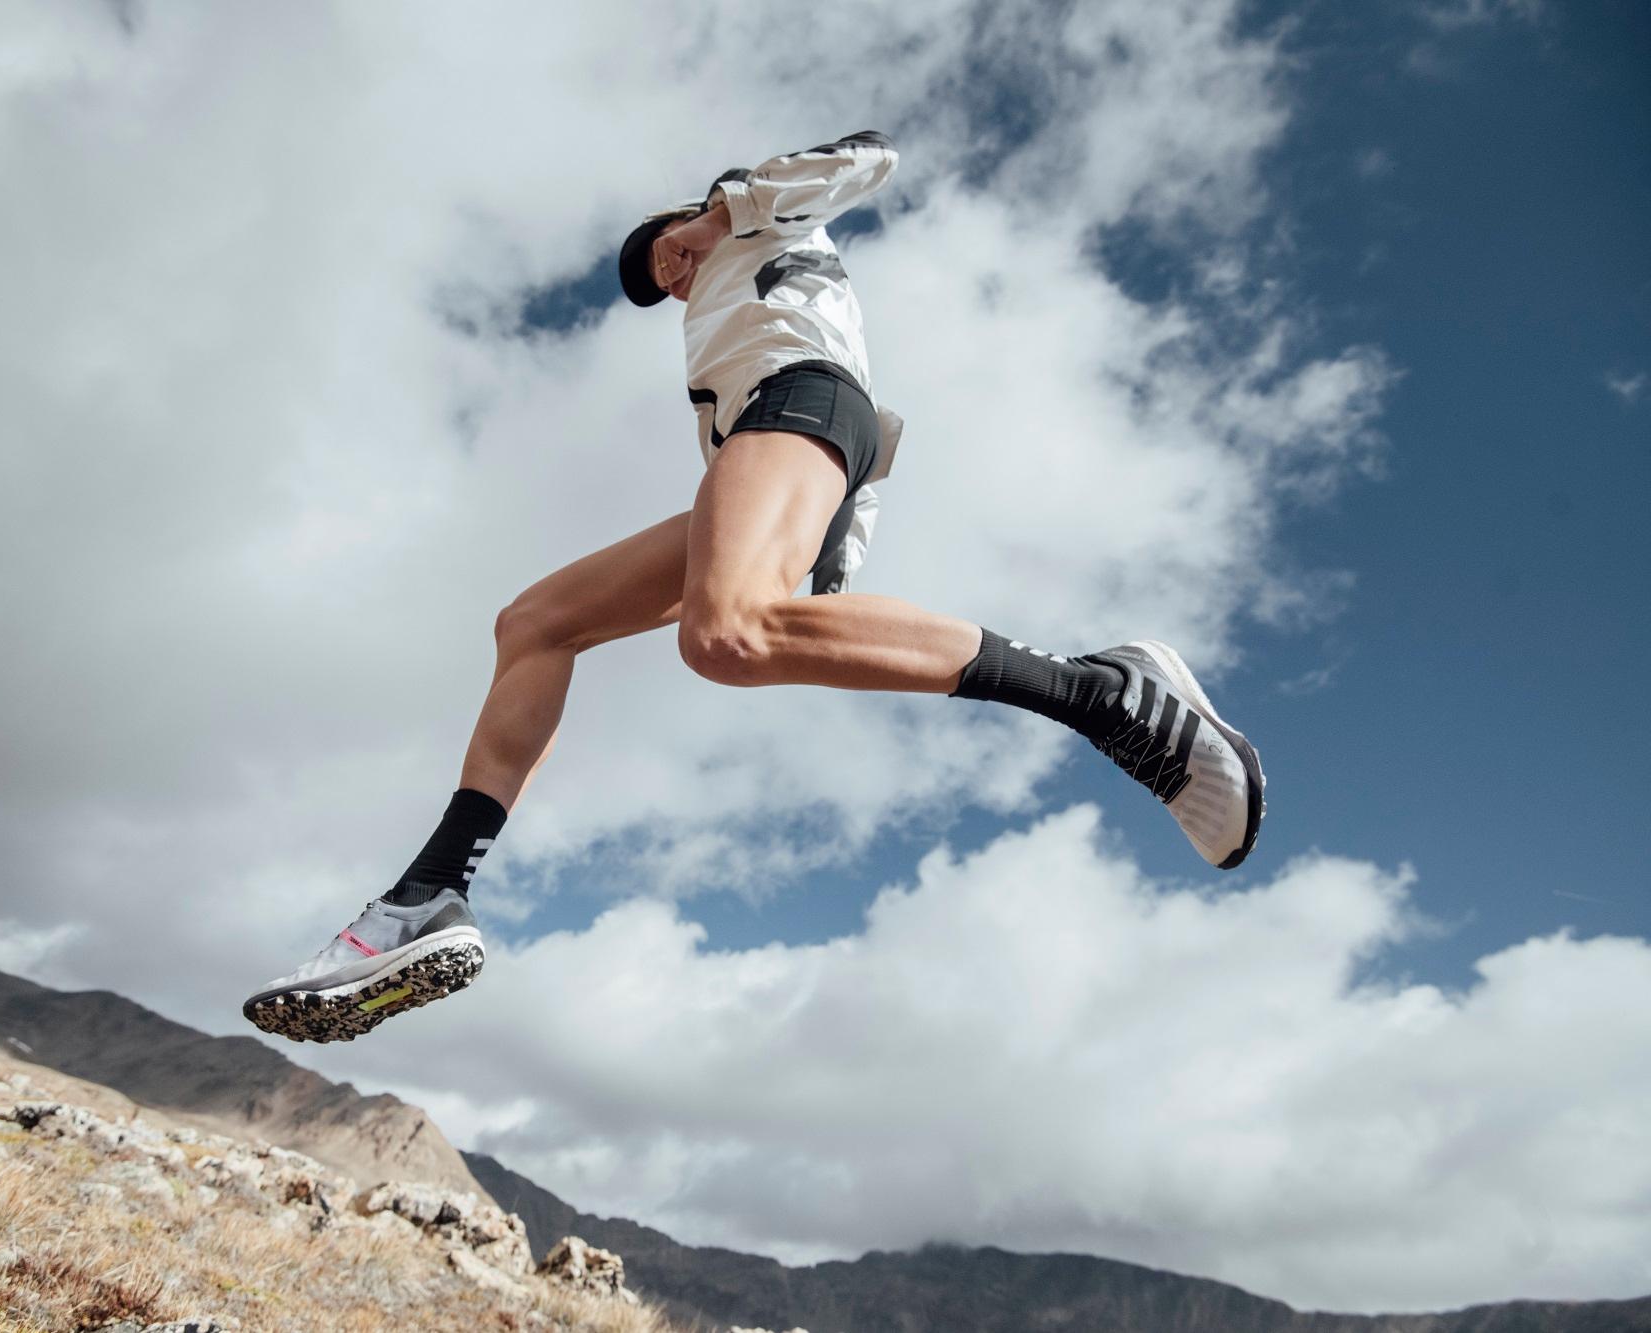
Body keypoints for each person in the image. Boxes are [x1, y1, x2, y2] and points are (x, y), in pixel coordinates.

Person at [243, 131, 1265, 1044]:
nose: (672, 277)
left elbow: (872, 157)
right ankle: (427, 894)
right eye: (660, 281)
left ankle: (1104, 693)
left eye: (668, 256)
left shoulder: (764, 213)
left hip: (805, 397)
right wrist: (823, 566)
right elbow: (803, 527)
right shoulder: (714, 332)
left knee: (719, 634)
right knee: (537, 621)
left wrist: (717, 210)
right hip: (765, 440)